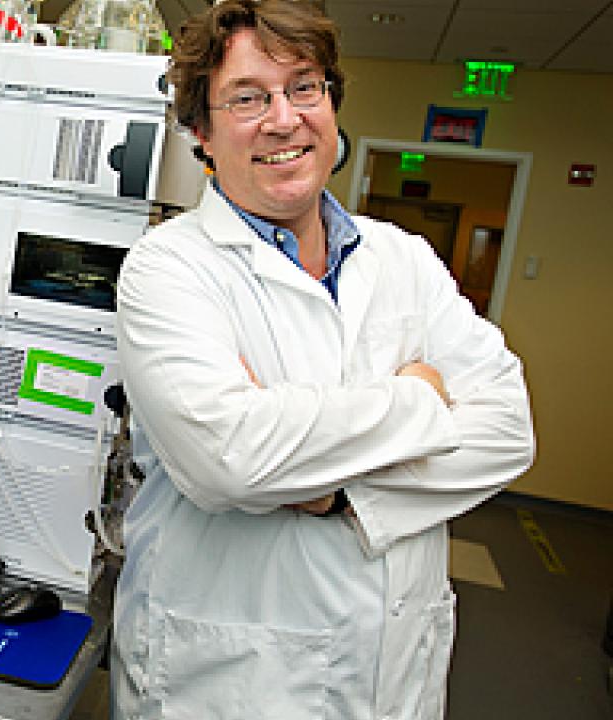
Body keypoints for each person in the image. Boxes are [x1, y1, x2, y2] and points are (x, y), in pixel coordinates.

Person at [110, 1, 535, 718]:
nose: (284, 118)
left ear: (332, 104)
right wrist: (421, 402)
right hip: (235, 684)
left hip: (397, 671)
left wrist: (337, 495)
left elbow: (509, 430)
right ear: (202, 134)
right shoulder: (168, 269)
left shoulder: (405, 259)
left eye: (304, 87)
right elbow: (231, 456)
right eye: (248, 97)